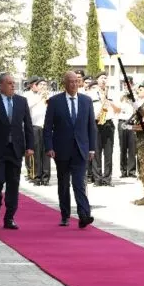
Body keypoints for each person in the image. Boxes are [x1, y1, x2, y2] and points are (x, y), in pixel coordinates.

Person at [0, 73, 35, 229]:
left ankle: (9, 217)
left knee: (13, 183)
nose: (13, 86)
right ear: (0, 85)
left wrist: (30, 146)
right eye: (9, 83)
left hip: (15, 149)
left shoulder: (21, 102)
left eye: (13, 83)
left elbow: (28, 126)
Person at [44, 70, 98, 228]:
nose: (74, 84)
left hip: (81, 149)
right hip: (61, 149)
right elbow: (48, 127)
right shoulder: (55, 101)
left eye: (76, 81)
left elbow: (91, 127)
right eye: (71, 81)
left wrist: (92, 148)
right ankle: (65, 215)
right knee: (63, 184)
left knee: (79, 183)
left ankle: (84, 215)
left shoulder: (86, 101)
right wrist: (49, 147)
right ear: (65, 84)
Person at [23, 76, 51, 186]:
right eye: (41, 85)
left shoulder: (49, 97)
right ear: (36, 86)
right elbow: (27, 108)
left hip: (46, 127)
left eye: (45, 85)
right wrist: (40, 97)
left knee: (46, 153)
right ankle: (36, 176)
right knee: (36, 153)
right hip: (35, 127)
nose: (44, 87)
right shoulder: (30, 96)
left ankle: (45, 177)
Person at [118, 93, 137, 178]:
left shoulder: (134, 100)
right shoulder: (121, 100)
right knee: (123, 148)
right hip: (122, 122)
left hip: (132, 123)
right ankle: (123, 170)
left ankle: (132, 171)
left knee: (132, 148)